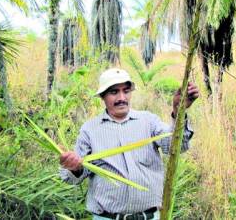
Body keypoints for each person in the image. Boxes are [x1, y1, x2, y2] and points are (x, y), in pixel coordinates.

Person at [60, 68, 199, 220]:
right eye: (114, 92)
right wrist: (75, 168)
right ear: (102, 96)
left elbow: (176, 147)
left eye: (126, 91)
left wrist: (179, 111)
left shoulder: (149, 121)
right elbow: (71, 177)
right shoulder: (90, 130)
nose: (121, 98)